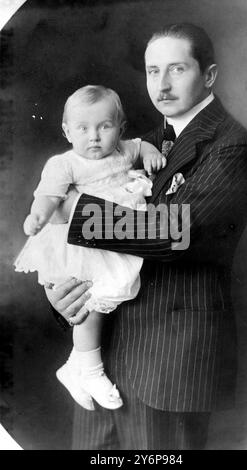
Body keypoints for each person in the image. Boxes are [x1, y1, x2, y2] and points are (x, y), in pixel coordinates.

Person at [45, 23, 247, 449]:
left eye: (176, 69)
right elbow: (91, 250)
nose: (160, 85)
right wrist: (64, 297)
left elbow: (175, 233)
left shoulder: (232, 146)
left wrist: (73, 210)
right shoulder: (138, 145)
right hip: (102, 365)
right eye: (151, 71)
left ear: (210, 75)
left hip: (167, 367)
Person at [14, 85, 166, 412]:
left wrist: (150, 152)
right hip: (80, 242)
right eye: (83, 129)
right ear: (67, 132)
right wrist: (38, 216)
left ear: (120, 128)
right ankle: (90, 368)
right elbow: (49, 195)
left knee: (102, 300)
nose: (94, 137)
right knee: (90, 301)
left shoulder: (125, 149)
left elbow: (140, 146)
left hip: (111, 234)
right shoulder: (65, 163)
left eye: (104, 126)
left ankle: (77, 365)